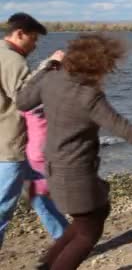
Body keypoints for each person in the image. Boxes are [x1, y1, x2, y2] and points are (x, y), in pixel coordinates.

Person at [16, 32, 132, 270]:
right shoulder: (89, 97)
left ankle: (45, 266)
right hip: (76, 175)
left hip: (54, 169)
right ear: (98, 64)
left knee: (95, 212)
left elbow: (22, 102)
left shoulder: (51, 79)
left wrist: (48, 66)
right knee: (87, 233)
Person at [0, 13, 66, 248]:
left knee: (39, 193)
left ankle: (65, 239)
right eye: (34, 38)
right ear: (19, 34)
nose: (35, 44)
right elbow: (26, 98)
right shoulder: (10, 59)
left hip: (19, 143)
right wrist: (50, 66)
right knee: (2, 208)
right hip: (10, 147)